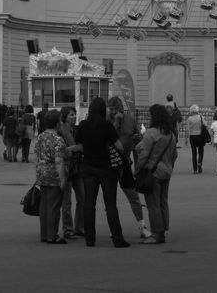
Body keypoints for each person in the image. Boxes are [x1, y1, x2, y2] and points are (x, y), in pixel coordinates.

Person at [71, 96, 130, 248]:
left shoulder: (83, 125)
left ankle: (90, 239)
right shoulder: (107, 126)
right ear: (103, 110)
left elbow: (80, 146)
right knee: (110, 204)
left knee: (89, 204)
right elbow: (119, 147)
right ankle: (117, 238)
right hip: (107, 169)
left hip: (88, 167)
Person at [108, 96, 152, 240]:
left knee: (133, 196)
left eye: (117, 109)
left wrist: (138, 167)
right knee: (110, 198)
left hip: (125, 163)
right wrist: (116, 121)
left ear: (121, 108)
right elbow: (107, 138)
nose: (115, 112)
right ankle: (113, 228)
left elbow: (137, 141)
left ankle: (142, 226)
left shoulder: (130, 119)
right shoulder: (107, 120)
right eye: (112, 109)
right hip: (108, 165)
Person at [134, 104, 178, 244]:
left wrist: (137, 170)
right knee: (163, 202)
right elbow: (174, 154)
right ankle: (163, 231)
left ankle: (155, 234)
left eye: (150, 114)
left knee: (153, 204)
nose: (149, 117)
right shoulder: (170, 134)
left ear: (154, 116)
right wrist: (169, 166)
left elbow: (144, 155)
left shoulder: (151, 132)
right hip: (166, 172)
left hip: (153, 172)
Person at [35, 110, 68, 244]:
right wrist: (63, 178)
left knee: (44, 205)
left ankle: (44, 234)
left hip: (42, 172)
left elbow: (36, 155)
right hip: (53, 173)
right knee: (54, 205)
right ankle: (52, 235)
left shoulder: (41, 136)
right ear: (57, 123)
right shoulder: (58, 139)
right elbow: (59, 160)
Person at [58, 106, 84, 240]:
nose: (74, 117)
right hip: (67, 168)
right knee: (66, 201)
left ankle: (79, 227)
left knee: (83, 198)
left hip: (78, 168)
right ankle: (68, 229)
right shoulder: (61, 131)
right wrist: (75, 148)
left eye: (74, 114)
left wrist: (75, 148)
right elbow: (63, 150)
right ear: (64, 117)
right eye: (71, 115)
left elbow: (83, 146)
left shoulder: (77, 129)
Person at [185, 105, 209, 174]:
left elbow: (187, 130)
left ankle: (195, 170)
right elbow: (206, 125)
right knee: (201, 151)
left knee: (194, 153)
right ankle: (200, 162)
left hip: (192, 136)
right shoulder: (201, 117)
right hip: (200, 136)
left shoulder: (189, 119)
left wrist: (186, 139)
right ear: (197, 110)